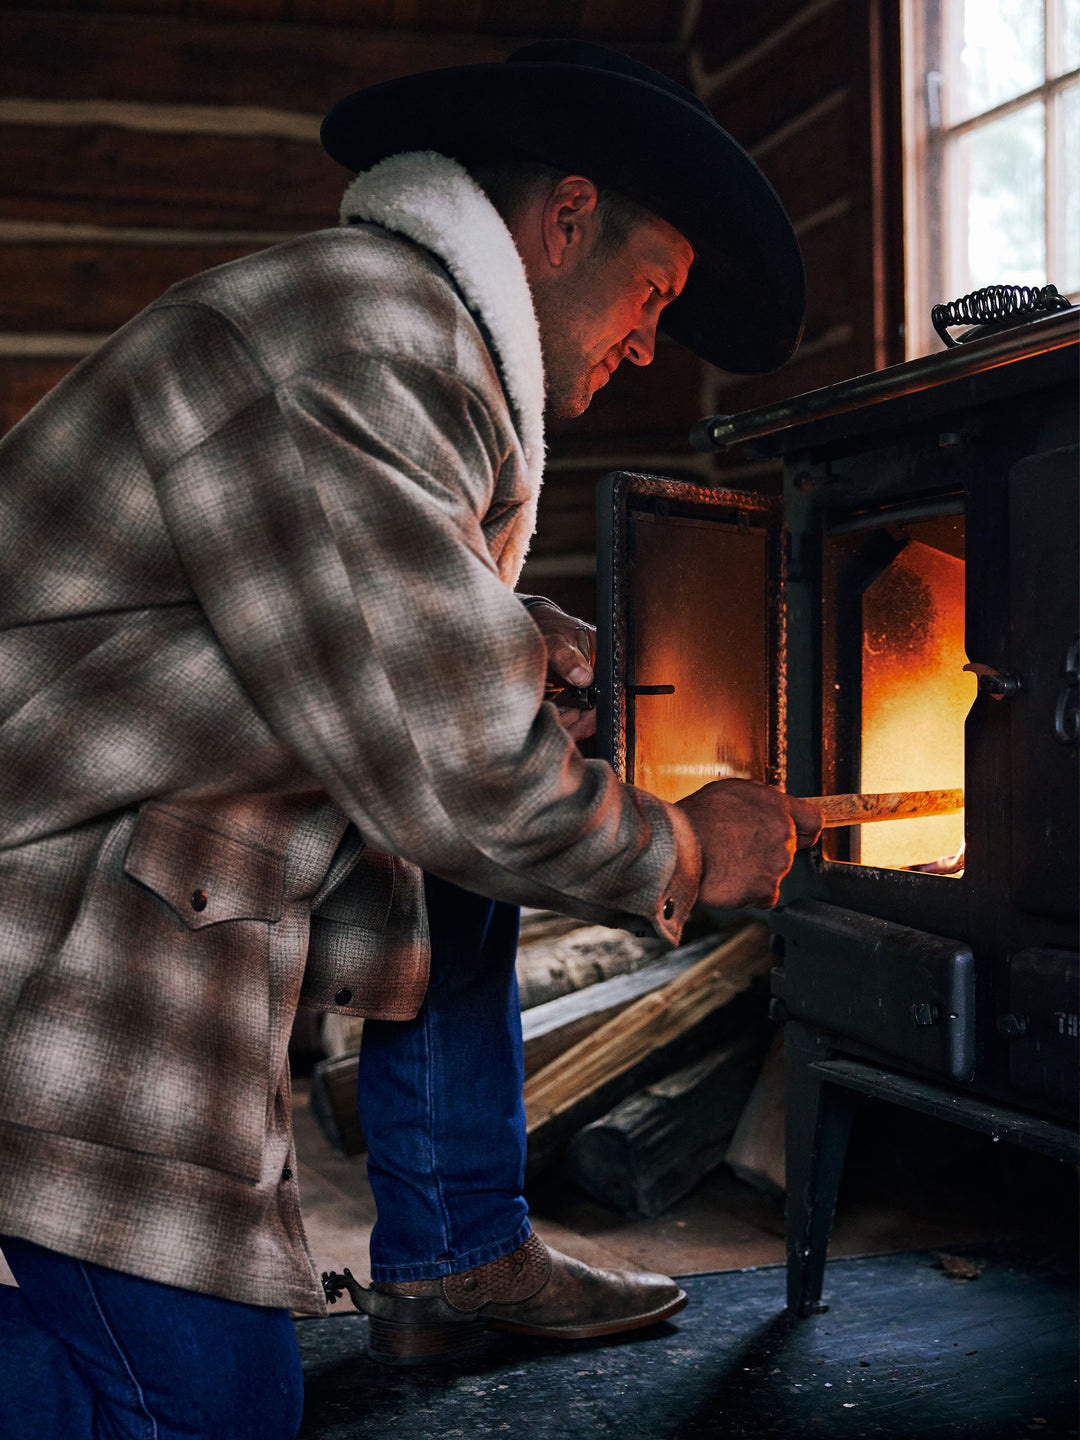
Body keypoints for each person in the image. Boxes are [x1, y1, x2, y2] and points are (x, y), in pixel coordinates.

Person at [0, 38, 822, 1440]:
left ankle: (457, 1257)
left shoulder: (397, 335)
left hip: (167, 865)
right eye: (649, 294)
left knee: (485, 802)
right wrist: (683, 843)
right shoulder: (359, 344)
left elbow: (355, 632)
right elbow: (454, 771)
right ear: (566, 221)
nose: (646, 342)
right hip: (61, 909)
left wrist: (517, 637)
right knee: (198, 1417)